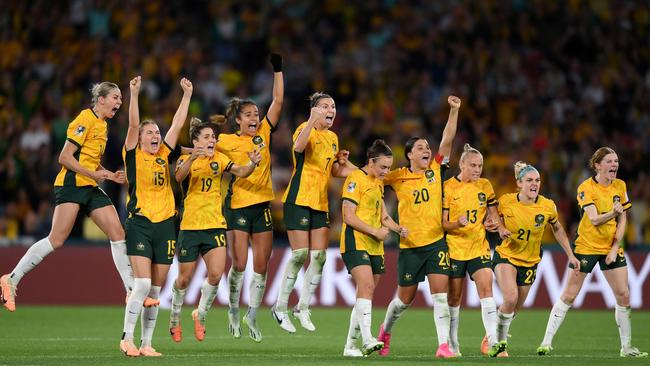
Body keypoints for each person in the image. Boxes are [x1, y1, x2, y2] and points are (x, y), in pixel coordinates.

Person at [0, 81, 136, 312]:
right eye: (115, 97)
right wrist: (93, 173)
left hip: (90, 185)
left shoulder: (102, 125)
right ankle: (11, 278)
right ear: (101, 99)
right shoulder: (84, 118)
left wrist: (108, 174)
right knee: (56, 240)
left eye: (121, 99)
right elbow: (64, 157)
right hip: (72, 184)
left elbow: (88, 159)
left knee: (117, 232)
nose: (119, 102)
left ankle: (131, 290)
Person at [537, 147, 647, 358]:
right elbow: (595, 219)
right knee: (569, 295)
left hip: (610, 246)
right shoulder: (586, 188)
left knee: (623, 294)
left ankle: (626, 348)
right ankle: (546, 342)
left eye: (616, 161)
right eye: (609, 161)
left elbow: (623, 218)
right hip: (586, 246)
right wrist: (613, 213)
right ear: (597, 165)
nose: (614, 165)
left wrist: (615, 247)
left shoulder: (620, 185)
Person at [376, 96, 461, 359]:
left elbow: (447, 138)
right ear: (410, 154)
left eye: (428, 147)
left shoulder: (436, 169)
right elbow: (372, 178)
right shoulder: (398, 176)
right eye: (421, 148)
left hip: (436, 243)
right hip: (410, 247)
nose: (427, 150)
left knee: (440, 295)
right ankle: (385, 332)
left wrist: (454, 110)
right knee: (403, 301)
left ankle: (443, 345)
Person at [168, 117, 261, 342]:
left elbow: (240, 172)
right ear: (196, 141)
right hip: (190, 227)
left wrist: (252, 164)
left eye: (213, 137)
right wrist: (193, 156)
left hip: (215, 225)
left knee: (216, 274)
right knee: (184, 279)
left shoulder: (220, 158)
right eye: (207, 137)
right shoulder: (184, 159)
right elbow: (178, 177)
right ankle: (174, 317)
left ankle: (200, 315)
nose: (212, 141)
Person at [118, 76, 192, 357]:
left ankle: (147, 343)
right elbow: (133, 124)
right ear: (139, 138)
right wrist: (134, 94)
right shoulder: (132, 155)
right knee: (143, 283)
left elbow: (177, 125)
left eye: (156, 132)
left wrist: (186, 96)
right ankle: (127, 338)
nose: (155, 136)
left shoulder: (163, 154)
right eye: (149, 133)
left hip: (165, 227)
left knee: (156, 292)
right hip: (140, 223)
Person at [271, 92, 355, 333]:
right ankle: (279, 306)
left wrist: (349, 168)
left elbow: (333, 172)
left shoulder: (333, 138)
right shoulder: (303, 129)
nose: (332, 110)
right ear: (315, 110)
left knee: (319, 257)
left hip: (320, 203)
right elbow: (297, 148)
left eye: (334, 106)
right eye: (326, 106)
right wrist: (310, 120)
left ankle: (303, 307)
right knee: (300, 254)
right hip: (298, 200)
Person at [215, 53, 283, 343]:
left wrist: (278, 70)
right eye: (250, 115)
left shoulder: (264, 133)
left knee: (263, 264)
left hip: (262, 205)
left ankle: (252, 314)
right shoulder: (225, 141)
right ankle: (233, 308)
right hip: (238, 205)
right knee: (240, 263)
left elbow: (278, 101)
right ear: (238, 120)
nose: (256, 118)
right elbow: (206, 150)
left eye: (257, 114)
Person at [490, 161, 580, 357]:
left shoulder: (547, 206)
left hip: (530, 261)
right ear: (519, 184)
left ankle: (492, 334)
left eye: (537, 180)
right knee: (510, 298)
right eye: (529, 180)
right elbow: (493, 215)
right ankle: (500, 345)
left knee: (514, 309)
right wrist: (500, 227)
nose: (534, 184)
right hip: (506, 255)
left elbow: (557, 229)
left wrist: (570, 255)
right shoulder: (506, 200)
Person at [341, 139, 407, 357]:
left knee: (366, 293)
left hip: (375, 245)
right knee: (367, 286)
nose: (386, 172)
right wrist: (375, 231)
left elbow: (383, 216)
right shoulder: (354, 179)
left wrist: (398, 229)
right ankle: (368, 338)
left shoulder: (378, 182)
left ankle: (350, 346)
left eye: (389, 168)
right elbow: (347, 216)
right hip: (356, 241)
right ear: (371, 162)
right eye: (383, 167)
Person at [442, 143, 504, 357]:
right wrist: (456, 224)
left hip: (479, 246)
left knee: (487, 290)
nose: (478, 170)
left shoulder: (485, 186)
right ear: (462, 164)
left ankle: (493, 340)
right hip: (455, 248)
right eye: (473, 165)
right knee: (454, 298)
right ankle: (453, 343)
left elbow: (494, 215)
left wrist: (493, 222)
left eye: (480, 166)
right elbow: (443, 224)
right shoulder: (448, 187)